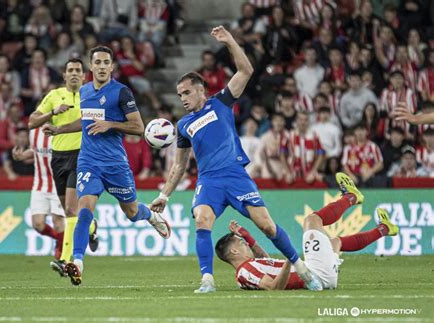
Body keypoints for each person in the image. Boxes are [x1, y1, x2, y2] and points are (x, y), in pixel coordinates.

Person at [150, 26, 323, 293]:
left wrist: (230, 41)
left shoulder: (220, 102)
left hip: (234, 175)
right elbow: (179, 165)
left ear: (199, 90)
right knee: (201, 220)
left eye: (186, 93)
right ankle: (207, 279)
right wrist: (165, 195)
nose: (182, 99)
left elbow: (246, 71)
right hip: (209, 181)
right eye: (179, 95)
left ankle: (300, 267)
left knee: (266, 225)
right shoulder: (183, 125)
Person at [46, 46, 171, 286]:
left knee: (132, 212)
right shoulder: (84, 91)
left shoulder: (122, 92)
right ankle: (78, 262)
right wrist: (59, 129)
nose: (102, 67)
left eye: (106, 62)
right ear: (90, 67)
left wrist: (110, 124)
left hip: (115, 164)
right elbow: (85, 121)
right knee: (84, 210)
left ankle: (151, 216)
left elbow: (138, 127)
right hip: (88, 162)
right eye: (97, 63)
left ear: (112, 67)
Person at [215, 173, 399, 290]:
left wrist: (246, 235)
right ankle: (351, 197)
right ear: (233, 251)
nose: (245, 243)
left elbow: (263, 257)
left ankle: (384, 229)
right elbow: (273, 287)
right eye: (241, 243)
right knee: (312, 220)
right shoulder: (246, 271)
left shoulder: (250, 268)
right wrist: (291, 258)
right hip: (313, 273)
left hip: (320, 276)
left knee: (336, 242)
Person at [28, 58, 98, 277]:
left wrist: (61, 129)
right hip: (58, 158)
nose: (75, 73)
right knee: (71, 211)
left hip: (82, 155)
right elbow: (32, 122)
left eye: (78, 70)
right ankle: (91, 227)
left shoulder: (90, 94)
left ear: (84, 75)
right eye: (70, 70)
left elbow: (88, 122)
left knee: (69, 210)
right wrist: (53, 113)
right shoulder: (54, 96)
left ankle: (65, 259)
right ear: (64, 75)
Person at [12, 127, 65, 261]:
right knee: (38, 224)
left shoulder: (62, 129)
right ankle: (61, 240)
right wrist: (22, 155)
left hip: (58, 184)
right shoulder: (34, 131)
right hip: (40, 184)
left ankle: (63, 254)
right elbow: (36, 150)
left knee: (58, 222)